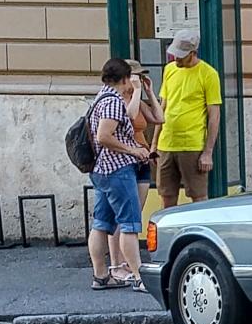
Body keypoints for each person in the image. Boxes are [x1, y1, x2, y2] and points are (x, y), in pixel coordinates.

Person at [87, 58, 151, 292]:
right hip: (117, 170)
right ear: (124, 79)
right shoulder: (113, 101)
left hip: (100, 170)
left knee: (101, 224)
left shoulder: (99, 97)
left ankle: (101, 275)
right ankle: (138, 276)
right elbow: (104, 136)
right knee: (129, 225)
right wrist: (133, 149)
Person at [107, 60, 163, 285]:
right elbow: (128, 117)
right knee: (123, 216)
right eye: (136, 76)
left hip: (141, 159)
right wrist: (137, 90)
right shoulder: (117, 100)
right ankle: (117, 263)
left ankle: (128, 261)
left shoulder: (138, 99)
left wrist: (149, 92)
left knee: (133, 213)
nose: (138, 80)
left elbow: (159, 117)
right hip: (124, 161)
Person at [154, 30, 222, 208]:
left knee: (198, 198)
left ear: (193, 53)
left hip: (191, 144)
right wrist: (154, 144)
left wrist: (207, 152)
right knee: (167, 196)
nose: (176, 59)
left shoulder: (208, 74)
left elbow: (214, 115)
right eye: (175, 53)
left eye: (181, 56)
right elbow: (163, 107)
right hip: (167, 143)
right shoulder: (169, 70)